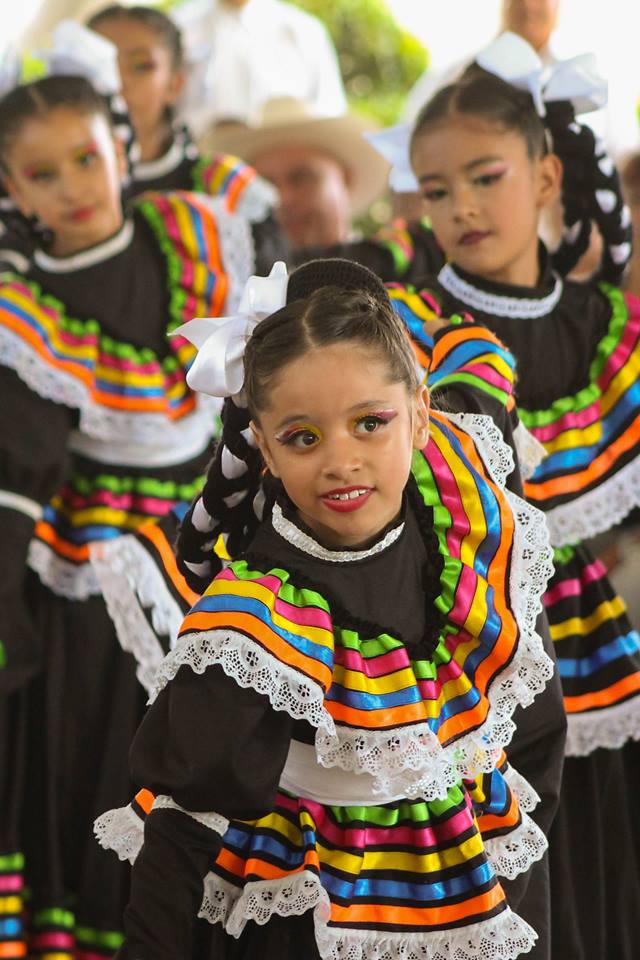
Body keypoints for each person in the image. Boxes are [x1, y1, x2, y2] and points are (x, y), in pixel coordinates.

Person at [95, 255, 557, 960]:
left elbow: (532, 726)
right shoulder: (256, 617)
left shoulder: (471, 526)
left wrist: (517, 881)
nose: (341, 460)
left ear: (421, 418)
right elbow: (186, 827)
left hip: (476, 889)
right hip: (305, 921)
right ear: (268, 455)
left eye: (370, 423)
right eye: (303, 437)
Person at [0, 71, 275, 955]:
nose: (74, 185)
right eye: (42, 174)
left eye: (87, 156)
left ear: (125, 146)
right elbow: (21, 461)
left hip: (223, 551)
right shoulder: (21, 305)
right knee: (107, 760)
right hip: (94, 572)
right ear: (11, 188)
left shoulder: (195, 231)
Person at [395, 31, 640, 959]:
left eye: (483, 177)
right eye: (436, 190)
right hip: (465, 638)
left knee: (597, 844)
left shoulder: (605, 327)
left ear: (544, 178)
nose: (460, 207)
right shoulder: (409, 327)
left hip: (585, 632)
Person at [86, 4, 276, 223]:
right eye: (100, 67)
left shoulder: (221, 188)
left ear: (175, 85)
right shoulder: (58, 192)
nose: (118, 82)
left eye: (141, 66)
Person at [172, 0, 346, 137]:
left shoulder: (304, 30)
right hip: (197, 170)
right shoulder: (178, 27)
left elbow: (330, 114)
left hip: (286, 167)